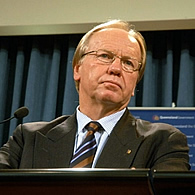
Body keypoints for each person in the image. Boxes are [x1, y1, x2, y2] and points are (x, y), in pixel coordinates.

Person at [0, 20, 190, 171]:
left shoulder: (163, 141)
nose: (115, 69)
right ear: (77, 69)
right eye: (105, 56)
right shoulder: (28, 139)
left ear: (134, 85)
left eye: (128, 63)